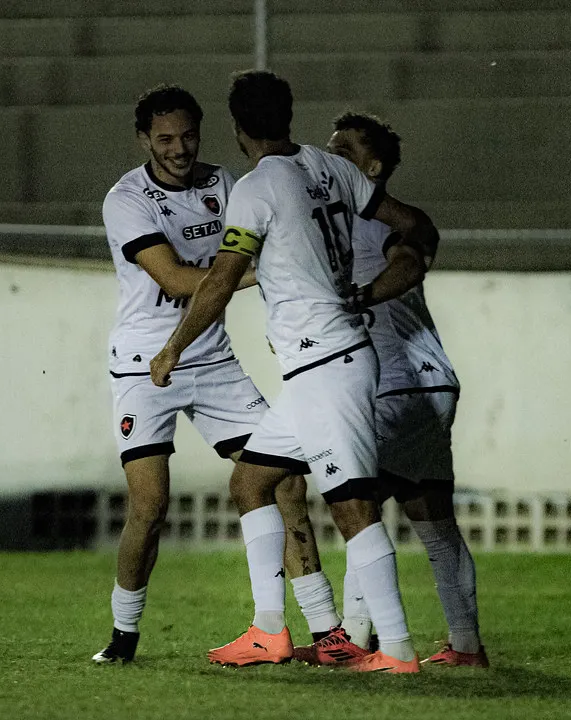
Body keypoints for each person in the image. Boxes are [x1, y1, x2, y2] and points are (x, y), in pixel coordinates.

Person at [151, 71, 439, 673]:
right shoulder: (328, 167)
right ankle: (268, 631)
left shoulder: (256, 189)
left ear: (237, 129)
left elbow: (223, 279)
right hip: (318, 368)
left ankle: (397, 650)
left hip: (327, 366)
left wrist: (175, 347)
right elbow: (407, 219)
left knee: (351, 503)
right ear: (288, 113)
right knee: (250, 483)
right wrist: (407, 256)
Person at [93, 84, 338, 664]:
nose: (178, 149)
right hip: (143, 367)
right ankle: (123, 636)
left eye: (188, 136)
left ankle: (327, 632)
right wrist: (258, 273)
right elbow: (178, 281)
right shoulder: (126, 199)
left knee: (286, 483)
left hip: (213, 359)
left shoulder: (223, 184)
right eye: (165, 139)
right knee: (150, 507)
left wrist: (253, 269)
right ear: (144, 140)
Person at [292, 112, 487, 668]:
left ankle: (355, 639)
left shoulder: (364, 223)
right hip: (432, 382)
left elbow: (407, 269)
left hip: (392, 385)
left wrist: (361, 297)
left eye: (343, 150)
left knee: (357, 507)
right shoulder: (381, 221)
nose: (331, 158)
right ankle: (466, 646)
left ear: (372, 168)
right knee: (433, 520)